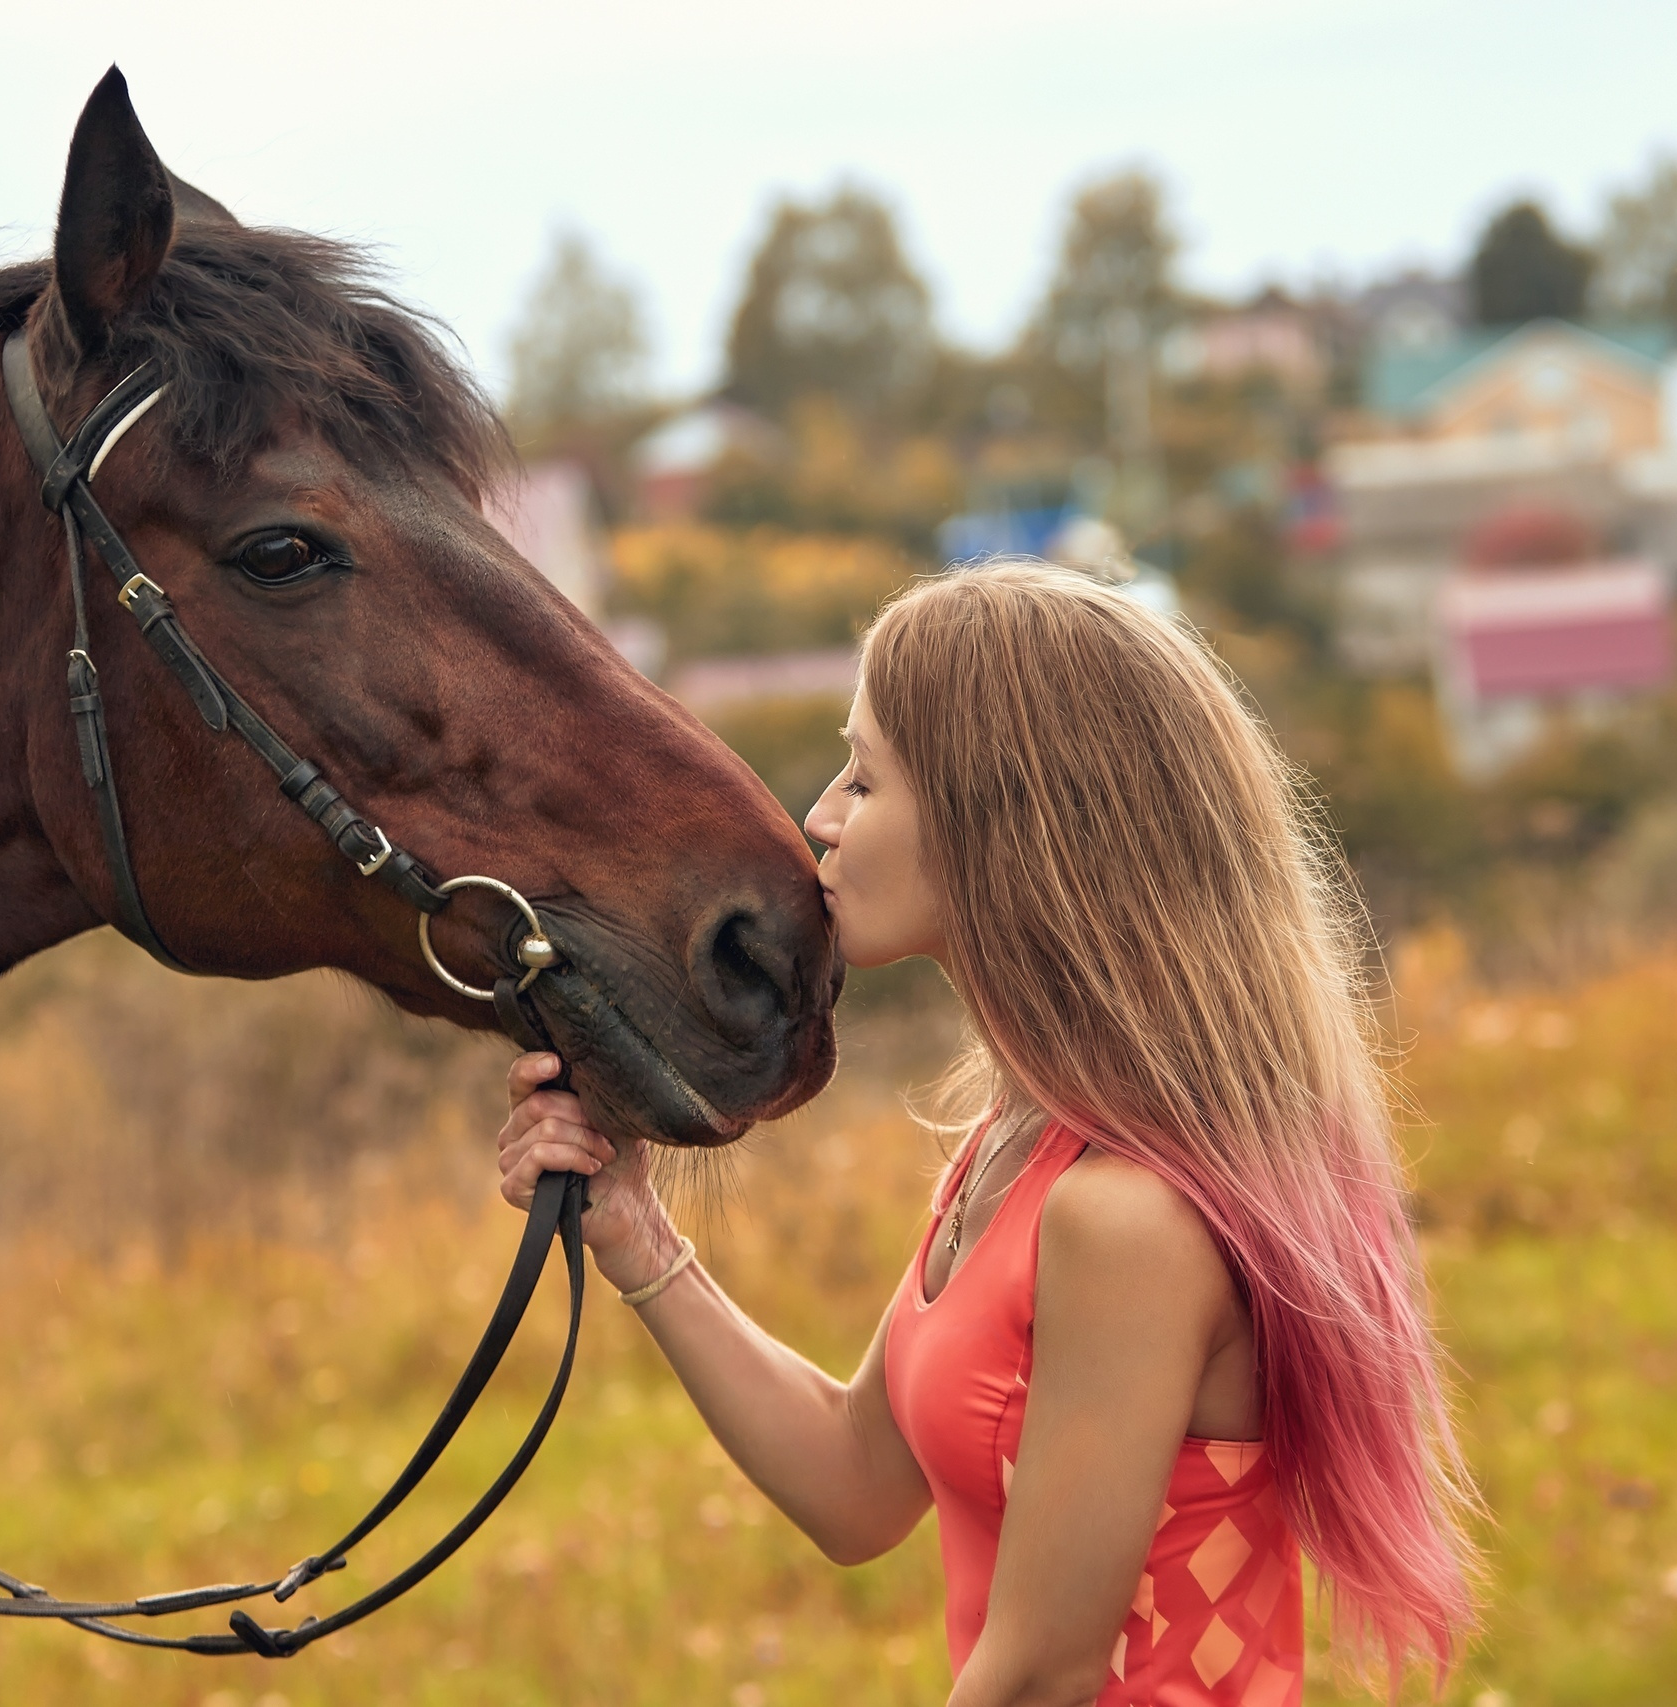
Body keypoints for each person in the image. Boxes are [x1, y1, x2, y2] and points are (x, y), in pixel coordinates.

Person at [495, 564, 1478, 1705]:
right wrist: (637, 1232)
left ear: (1001, 824)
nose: (820, 818)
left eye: (864, 779)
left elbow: (1041, 1675)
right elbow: (857, 1485)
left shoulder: (1126, 1218)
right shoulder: (1024, 1141)